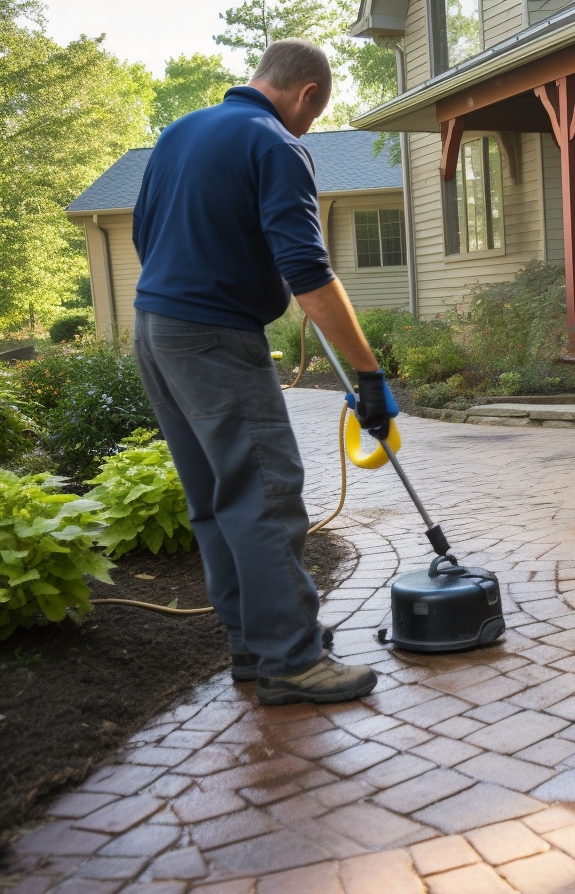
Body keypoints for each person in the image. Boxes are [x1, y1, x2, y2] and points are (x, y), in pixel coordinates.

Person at [131, 39, 387, 705]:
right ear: (307, 95)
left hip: (154, 329)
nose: (306, 128)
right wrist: (369, 375)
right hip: (214, 336)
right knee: (267, 496)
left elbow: (145, 235)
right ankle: (292, 661)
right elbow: (309, 271)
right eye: (312, 115)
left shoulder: (180, 132)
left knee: (217, 498)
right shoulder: (274, 142)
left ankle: (255, 644)